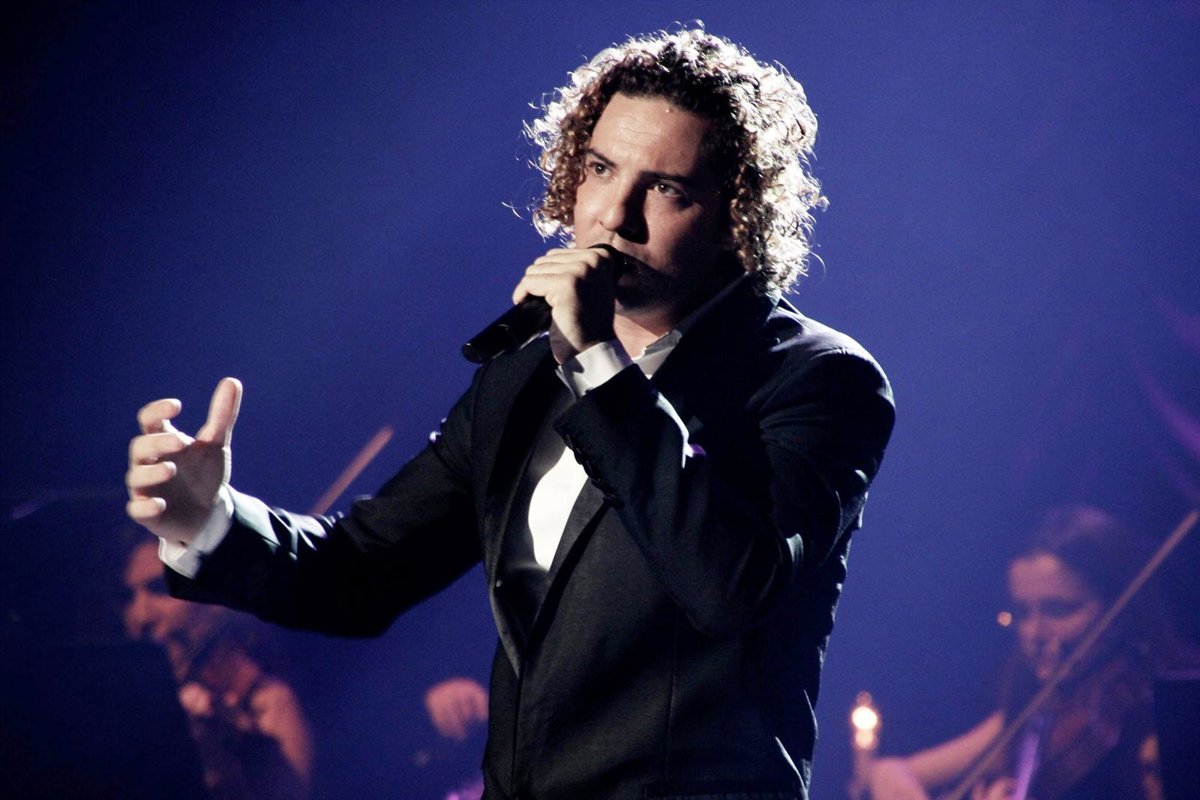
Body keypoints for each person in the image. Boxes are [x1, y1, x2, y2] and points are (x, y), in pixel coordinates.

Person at [125, 28, 895, 799]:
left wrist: (597, 363)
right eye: (600, 169)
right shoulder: (526, 377)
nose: (613, 214)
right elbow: (362, 571)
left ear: (737, 214)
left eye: (666, 189)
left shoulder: (819, 379)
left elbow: (729, 587)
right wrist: (207, 521)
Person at [862, 506, 1200, 800]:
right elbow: (888, 772)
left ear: (1120, 607)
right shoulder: (1040, 704)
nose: (1034, 634)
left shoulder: (1157, 712)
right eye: (1023, 613)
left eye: (1059, 609)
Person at [122, 540, 313, 799]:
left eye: (159, 587)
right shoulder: (131, 707)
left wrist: (223, 759)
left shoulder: (266, 704)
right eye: (127, 597)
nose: (140, 615)